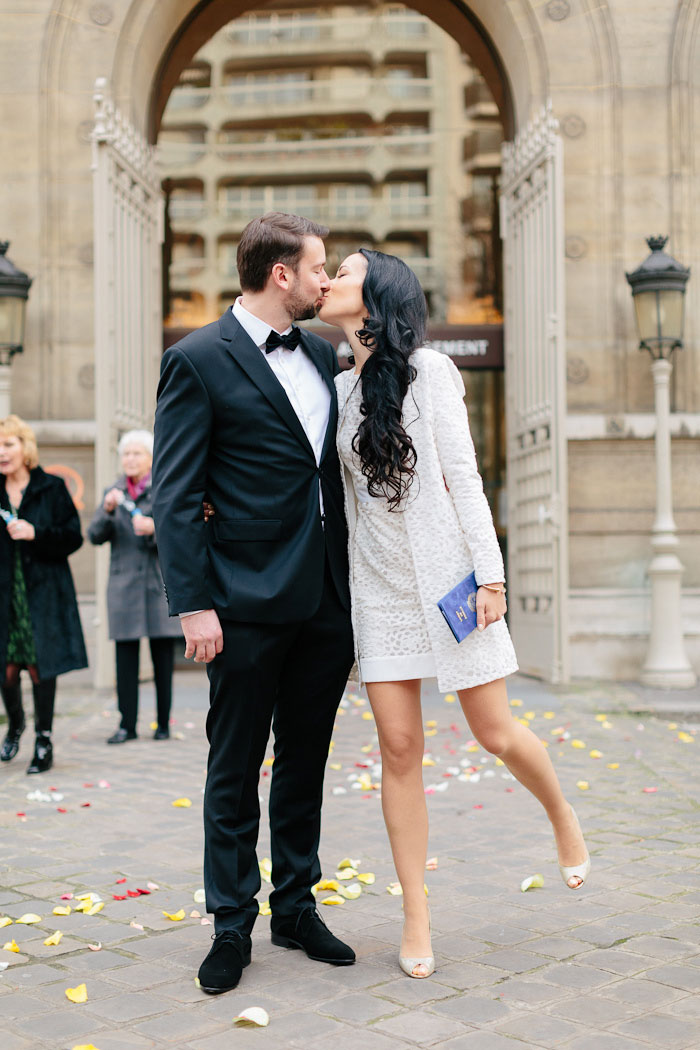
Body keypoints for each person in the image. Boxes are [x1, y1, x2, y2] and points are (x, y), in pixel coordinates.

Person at [318, 249, 591, 980]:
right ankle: (416, 912)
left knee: (495, 731)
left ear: (375, 295)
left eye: (342, 273)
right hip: (380, 595)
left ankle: (562, 814)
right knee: (399, 750)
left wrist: (491, 575)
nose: (327, 283)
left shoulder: (431, 372)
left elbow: (463, 477)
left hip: (451, 586)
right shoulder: (337, 391)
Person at [152, 212, 355, 995]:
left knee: (305, 762)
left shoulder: (319, 349)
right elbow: (175, 494)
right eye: (317, 268)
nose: (325, 280)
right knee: (234, 765)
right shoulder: (196, 359)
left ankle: (295, 907)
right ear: (281, 274)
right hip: (239, 600)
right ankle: (231, 923)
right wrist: (193, 604)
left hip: (325, 600)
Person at [0, 414, 87, 774]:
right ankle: (16, 723)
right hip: (5, 594)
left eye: (7, 444)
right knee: (5, 668)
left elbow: (73, 536)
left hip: (43, 593)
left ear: (25, 447)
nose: (1, 452)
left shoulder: (51, 487)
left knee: (39, 666)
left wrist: (37, 533)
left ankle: (44, 738)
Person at [88, 430, 182, 744]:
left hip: (157, 584)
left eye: (137, 454)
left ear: (151, 459)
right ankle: (126, 724)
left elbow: (182, 533)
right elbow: (94, 535)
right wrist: (107, 510)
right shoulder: (112, 492)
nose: (130, 459)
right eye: (126, 454)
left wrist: (156, 528)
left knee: (162, 658)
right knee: (125, 658)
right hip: (124, 584)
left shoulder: (163, 489)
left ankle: (162, 723)